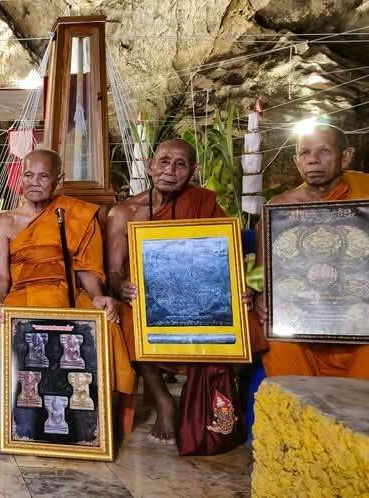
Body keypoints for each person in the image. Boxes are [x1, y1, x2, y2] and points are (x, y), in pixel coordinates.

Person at [106, 138, 260, 443]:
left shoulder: (203, 202)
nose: (170, 171)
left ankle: (215, 401)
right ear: (150, 167)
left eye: (180, 164)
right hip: (146, 297)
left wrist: (240, 289)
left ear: (193, 170)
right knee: (126, 319)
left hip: (197, 291)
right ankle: (165, 402)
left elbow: (225, 256)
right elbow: (112, 270)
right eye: (163, 162)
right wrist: (122, 288)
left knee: (245, 320)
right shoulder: (125, 213)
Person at [0, 149, 135, 399]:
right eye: (28, 175)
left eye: (43, 176)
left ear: (59, 180)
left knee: (105, 326)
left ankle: (96, 411)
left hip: (67, 293)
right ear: (20, 178)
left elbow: (86, 269)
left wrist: (98, 297)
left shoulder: (75, 214)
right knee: (16, 328)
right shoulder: (5, 221)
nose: (34, 182)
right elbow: (1, 273)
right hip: (22, 296)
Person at [259, 124, 369, 378]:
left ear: (346, 156)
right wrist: (260, 297)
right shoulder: (280, 208)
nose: (313, 160)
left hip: (358, 313)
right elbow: (263, 271)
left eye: (324, 151)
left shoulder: (364, 193)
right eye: (305, 153)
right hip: (302, 317)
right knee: (277, 340)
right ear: (296, 160)